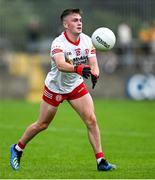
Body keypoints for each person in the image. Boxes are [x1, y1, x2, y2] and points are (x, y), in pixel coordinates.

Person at [10, 8, 116, 171]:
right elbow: (60, 65)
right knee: (42, 124)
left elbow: (93, 61)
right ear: (66, 24)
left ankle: (101, 161)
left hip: (75, 86)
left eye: (80, 20)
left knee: (91, 120)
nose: (79, 22)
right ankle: (17, 148)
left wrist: (95, 73)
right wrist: (79, 69)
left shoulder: (87, 40)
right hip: (55, 88)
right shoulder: (58, 43)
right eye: (75, 20)